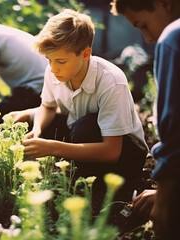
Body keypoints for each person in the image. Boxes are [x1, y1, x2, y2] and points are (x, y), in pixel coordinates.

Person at [12, 9, 148, 214]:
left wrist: (52, 147)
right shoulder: (54, 71)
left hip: (124, 155)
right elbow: (48, 107)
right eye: (49, 60)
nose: (53, 68)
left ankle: (111, 194)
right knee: (39, 124)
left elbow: (112, 151)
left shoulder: (111, 81)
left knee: (85, 127)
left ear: (85, 54)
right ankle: (76, 177)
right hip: (80, 132)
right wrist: (38, 131)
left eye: (60, 61)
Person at [110, 0, 180, 238]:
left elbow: (175, 131)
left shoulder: (173, 37)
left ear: (164, 4)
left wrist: (165, 200)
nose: (148, 38)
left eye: (143, 25)